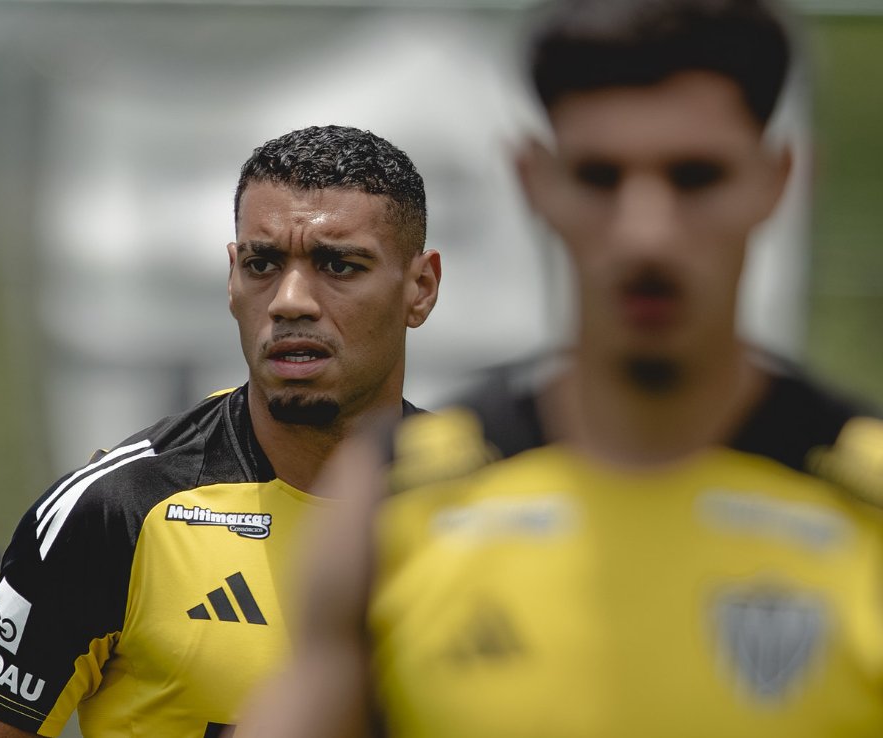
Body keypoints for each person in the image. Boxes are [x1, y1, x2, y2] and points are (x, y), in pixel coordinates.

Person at [235, 1, 883, 736]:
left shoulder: (868, 508)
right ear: (535, 180)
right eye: (600, 177)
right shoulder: (397, 503)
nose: (647, 235)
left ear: (778, 180)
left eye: (695, 177)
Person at [0, 124, 442, 737]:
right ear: (231, 277)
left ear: (420, 288)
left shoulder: (492, 501)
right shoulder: (117, 511)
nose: (290, 300)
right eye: (262, 264)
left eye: (339, 265)